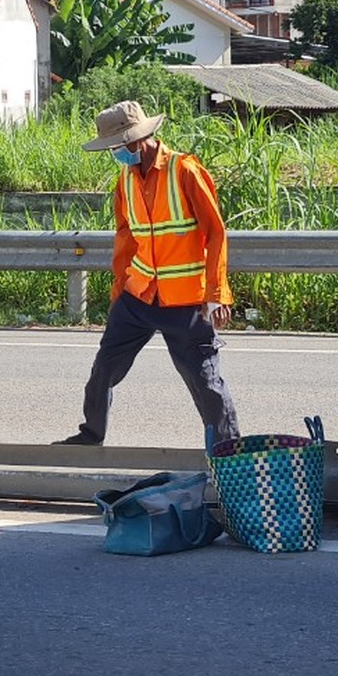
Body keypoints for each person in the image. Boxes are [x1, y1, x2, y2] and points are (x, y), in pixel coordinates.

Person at [55, 101, 239, 448]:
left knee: (206, 383)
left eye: (117, 146)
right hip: (138, 296)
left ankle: (230, 454)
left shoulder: (184, 171)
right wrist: (118, 294)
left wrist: (217, 294)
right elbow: (125, 238)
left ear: (138, 140)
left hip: (186, 301)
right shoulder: (124, 180)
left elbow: (215, 232)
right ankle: (89, 437)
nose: (115, 154)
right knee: (103, 370)